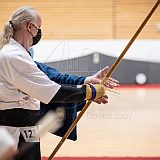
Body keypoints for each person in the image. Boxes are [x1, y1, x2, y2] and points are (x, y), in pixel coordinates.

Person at [0, 6, 118, 160]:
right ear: (30, 27)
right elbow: (54, 91)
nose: (39, 32)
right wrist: (90, 92)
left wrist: (87, 81)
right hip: (13, 128)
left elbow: (53, 77)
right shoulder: (12, 56)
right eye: (39, 27)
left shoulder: (21, 54)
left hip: (29, 126)